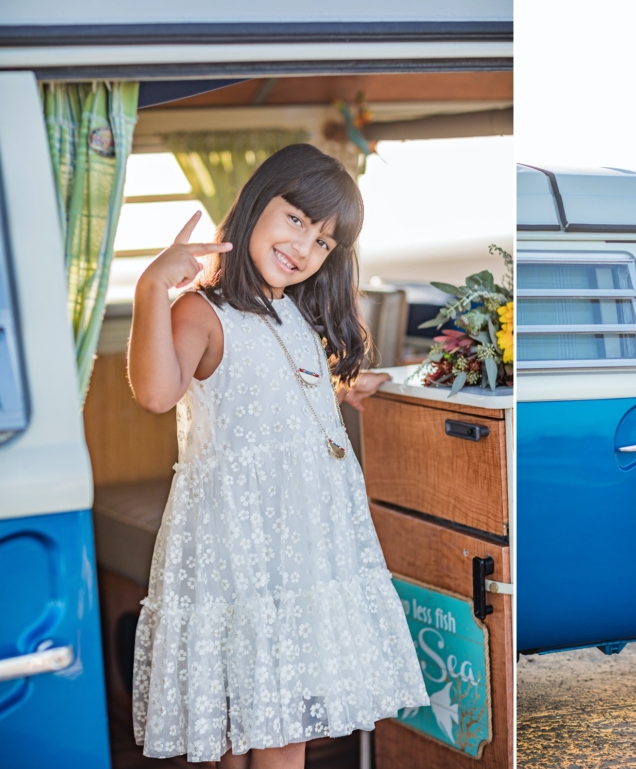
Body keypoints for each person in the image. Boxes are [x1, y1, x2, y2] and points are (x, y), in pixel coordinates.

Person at [127, 144, 429, 767]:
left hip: (303, 546)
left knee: (273, 717)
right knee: (264, 722)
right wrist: (152, 284)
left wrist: (344, 385)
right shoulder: (200, 311)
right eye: (296, 219)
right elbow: (157, 392)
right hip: (243, 546)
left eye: (323, 241)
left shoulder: (294, 312)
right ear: (255, 203)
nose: (304, 248)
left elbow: (275, 393)